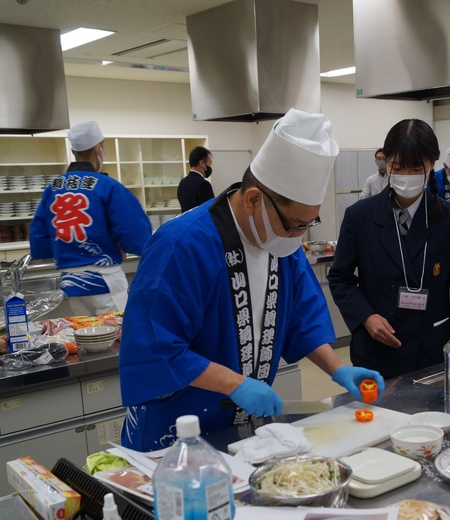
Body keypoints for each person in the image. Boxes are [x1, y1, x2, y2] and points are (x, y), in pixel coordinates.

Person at [119, 109, 385, 452]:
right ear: (254, 200)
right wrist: (236, 383)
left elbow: (300, 321)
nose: (298, 235)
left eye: (309, 223)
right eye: (294, 224)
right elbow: (156, 345)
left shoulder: (281, 243)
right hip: (174, 429)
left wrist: (337, 369)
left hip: (242, 431)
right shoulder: (181, 244)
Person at [328, 119, 450, 379]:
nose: (406, 176)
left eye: (415, 168)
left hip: (432, 351)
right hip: (376, 351)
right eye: (398, 167)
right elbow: (340, 278)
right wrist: (366, 317)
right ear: (387, 163)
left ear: (432, 165)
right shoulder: (360, 216)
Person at [29, 121, 151, 315]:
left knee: (86, 336)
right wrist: (128, 246)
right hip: (104, 279)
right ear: (98, 148)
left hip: (70, 282)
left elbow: (38, 239)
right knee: (119, 335)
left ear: (73, 151)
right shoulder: (107, 186)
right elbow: (136, 232)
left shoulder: (53, 187)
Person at [176, 146, 215, 212]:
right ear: (202, 163)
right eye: (210, 163)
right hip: (201, 222)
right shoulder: (203, 184)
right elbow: (210, 211)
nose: (210, 166)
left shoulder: (182, 183)